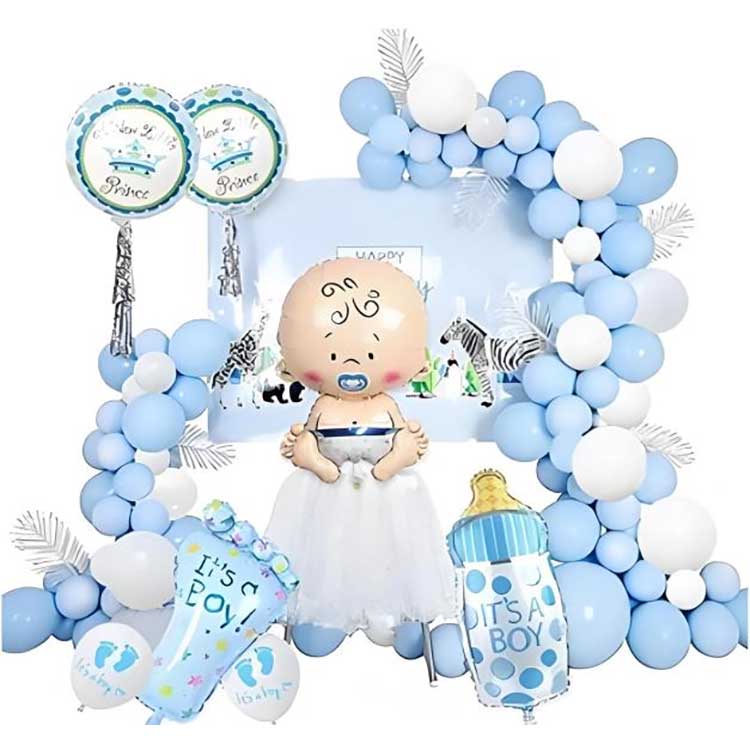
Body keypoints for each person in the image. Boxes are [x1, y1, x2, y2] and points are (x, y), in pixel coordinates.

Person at [265, 258, 456, 648]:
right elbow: (312, 451)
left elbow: (403, 449)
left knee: (390, 548)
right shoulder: (322, 407)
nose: (351, 366)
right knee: (326, 552)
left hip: (386, 496)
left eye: (370, 356)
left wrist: (397, 458)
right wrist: (311, 458)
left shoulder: (386, 406)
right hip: (326, 495)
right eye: (333, 357)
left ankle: (390, 612)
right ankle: (323, 615)